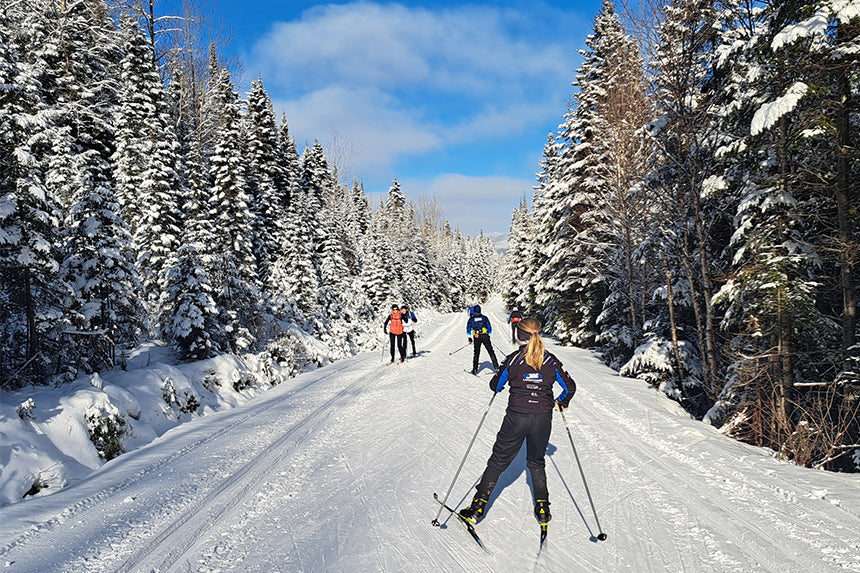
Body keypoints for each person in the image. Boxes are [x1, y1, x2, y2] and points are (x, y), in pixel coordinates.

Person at [459, 317, 575, 527]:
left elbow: (495, 385)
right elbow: (570, 387)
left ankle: (477, 509)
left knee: (498, 461)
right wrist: (562, 402)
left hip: (516, 418)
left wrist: (505, 381)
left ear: (518, 335)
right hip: (542, 419)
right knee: (536, 462)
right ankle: (542, 509)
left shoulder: (513, 360)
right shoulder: (549, 360)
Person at [466, 304, 498, 374]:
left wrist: (469, 337)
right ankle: (496, 367)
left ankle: (475, 369)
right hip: (485, 335)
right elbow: (489, 326)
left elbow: (468, 328)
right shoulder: (484, 318)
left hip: (477, 336)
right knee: (490, 351)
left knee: (476, 352)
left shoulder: (471, 319)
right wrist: (489, 334)